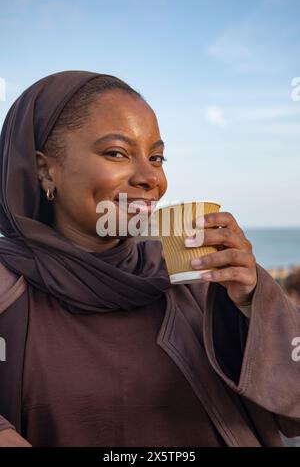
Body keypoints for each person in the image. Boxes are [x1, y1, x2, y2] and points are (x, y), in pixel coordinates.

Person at [0, 71, 299, 447]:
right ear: (46, 170)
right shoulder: (7, 289)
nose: (150, 177)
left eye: (156, 157)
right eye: (116, 153)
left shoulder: (192, 281)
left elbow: (291, 413)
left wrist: (255, 303)